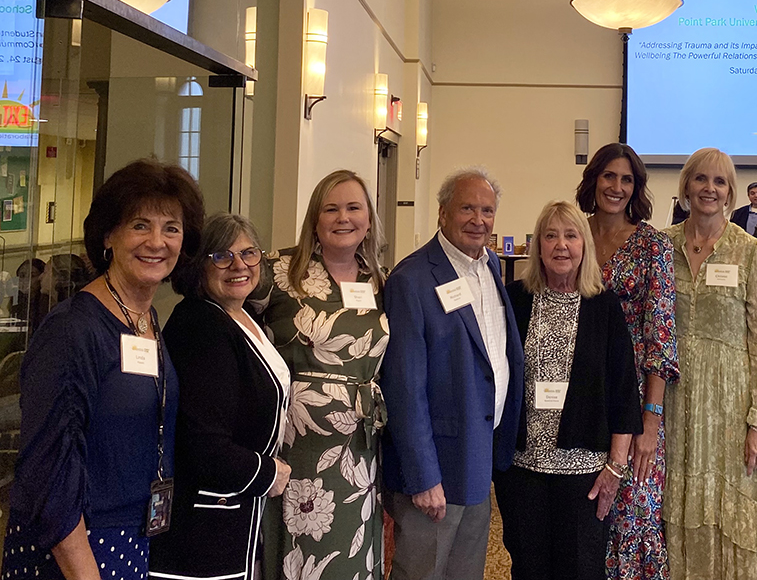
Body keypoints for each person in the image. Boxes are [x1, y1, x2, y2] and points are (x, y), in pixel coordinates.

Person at [1, 159, 203, 579]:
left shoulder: (146, 320)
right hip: (74, 552)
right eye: (140, 225)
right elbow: (47, 474)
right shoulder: (73, 330)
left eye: (171, 228)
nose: (156, 241)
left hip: (132, 539)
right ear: (109, 235)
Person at [381, 167, 524, 580]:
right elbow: (404, 388)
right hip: (436, 470)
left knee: (464, 573)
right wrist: (424, 477)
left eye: (487, 210)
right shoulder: (412, 279)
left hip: (478, 459)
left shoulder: (490, 266)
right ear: (442, 212)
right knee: (422, 571)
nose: (478, 220)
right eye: (467, 208)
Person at [252, 171, 389, 580]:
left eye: (353, 208)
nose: (342, 218)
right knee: (300, 552)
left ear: (368, 220)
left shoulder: (379, 279)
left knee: (352, 551)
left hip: (360, 451)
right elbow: (231, 324)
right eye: (331, 208)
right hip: (297, 446)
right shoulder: (276, 272)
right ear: (315, 219)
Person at [495, 201, 643, 580]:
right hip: (523, 470)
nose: (561, 245)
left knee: (580, 570)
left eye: (571, 235)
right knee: (528, 567)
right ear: (538, 246)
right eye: (551, 235)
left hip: (585, 474)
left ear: (584, 246)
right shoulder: (514, 300)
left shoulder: (604, 306)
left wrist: (615, 468)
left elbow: (624, 393)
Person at [149, 213, 291, 580]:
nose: (239, 265)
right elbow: (203, 445)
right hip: (203, 529)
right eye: (222, 256)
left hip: (237, 515)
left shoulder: (239, 315)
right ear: (199, 265)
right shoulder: (201, 326)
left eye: (249, 253)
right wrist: (267, 473)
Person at [663, 148, 757, 580]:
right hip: (672, 400)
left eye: (720, 182)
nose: (709, 189)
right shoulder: (661, 244)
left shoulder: (751, 252)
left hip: (731, 406)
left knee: (730, 509)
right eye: (701, 180)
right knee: (675, 499)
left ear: (731, 192)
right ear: (686, 186)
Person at [575, 142, 679, 579]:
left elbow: (661, 335)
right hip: (578, 391)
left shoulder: (653, 245)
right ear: (593, 180)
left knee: (633, 510)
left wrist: (650, 419)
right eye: (609, 177)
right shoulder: (573, 233)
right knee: (584, 512)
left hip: (633, 398)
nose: (616, 187)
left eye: (626, 179)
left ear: (636, 188)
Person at [8, 258, 46, 333]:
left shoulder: (46, 304)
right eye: (22, 276)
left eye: (32, 276)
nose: (26, 280)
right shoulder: (15, 303)